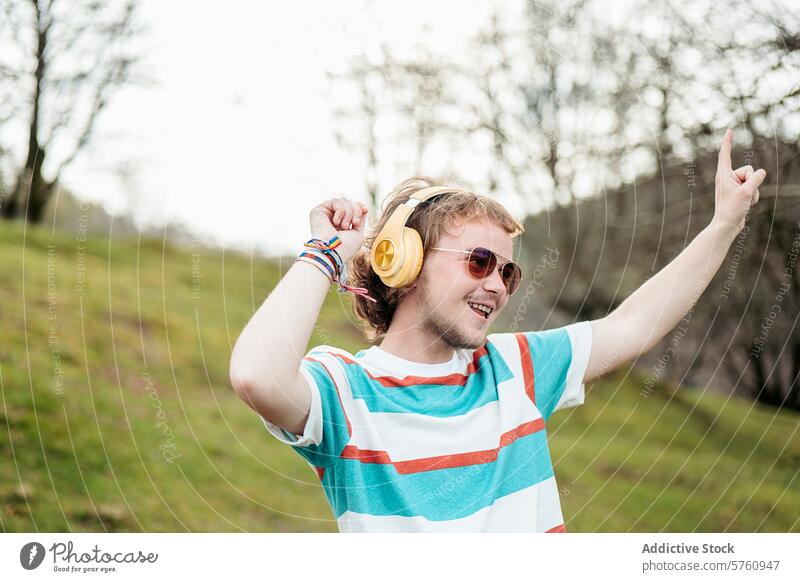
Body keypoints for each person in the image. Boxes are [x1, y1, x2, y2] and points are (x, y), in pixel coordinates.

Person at [229, 129, 766, 532]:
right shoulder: (345, 391)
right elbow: (257, 376)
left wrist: (724, 226)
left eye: (508, 271)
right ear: (405, 262)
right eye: (480, 261)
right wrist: (326, 253)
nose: (500, 286)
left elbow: (632, 324)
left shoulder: (515, 368)